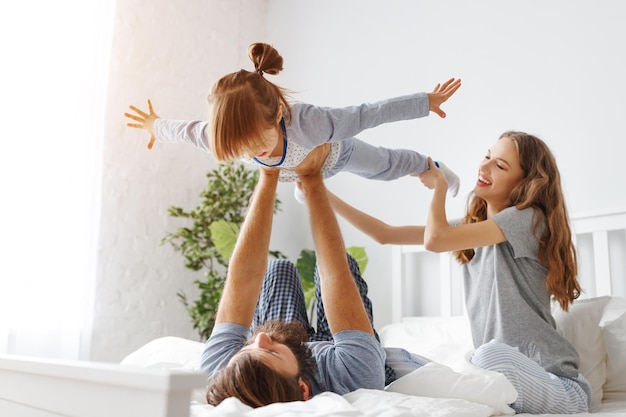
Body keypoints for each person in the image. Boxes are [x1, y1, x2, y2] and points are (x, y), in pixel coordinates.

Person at [327, 131, 592, 414]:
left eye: (500, 166)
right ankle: (484, 394)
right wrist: (320, 193)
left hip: (560, 387)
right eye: (487, 157)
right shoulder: (471, 230)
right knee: (391, 360)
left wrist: (439, 188)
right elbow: (385, 234)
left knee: (486, 354)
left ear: (525, 184)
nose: (484, 166)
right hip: (500, 380)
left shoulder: (530, 220)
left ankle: (483, 392)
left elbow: (434, 239)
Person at [200, 144, 430, 407]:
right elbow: (334, 273)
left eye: (246, 351)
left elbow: (244, 276)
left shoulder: (222, 372)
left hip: (292, 349)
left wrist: (268, 173)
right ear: (304, 389)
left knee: (278, 270)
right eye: (268, 352)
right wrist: (312, 178)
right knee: (340, 266)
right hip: (337, 351)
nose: (260, 339)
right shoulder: (354, 376)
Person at [123, 42, 462, 202]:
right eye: (242, 150)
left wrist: (423, 102)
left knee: (382, 166)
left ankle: (428, 165)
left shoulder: (311, 124)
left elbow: (367, 113)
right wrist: (155, 125)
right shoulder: (220, 135)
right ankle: (305, 186)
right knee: (304, 194)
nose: (257, 153)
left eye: (257, 144)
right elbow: (184, 131)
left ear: (280, 115)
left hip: (336, 154)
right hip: (301, 172)